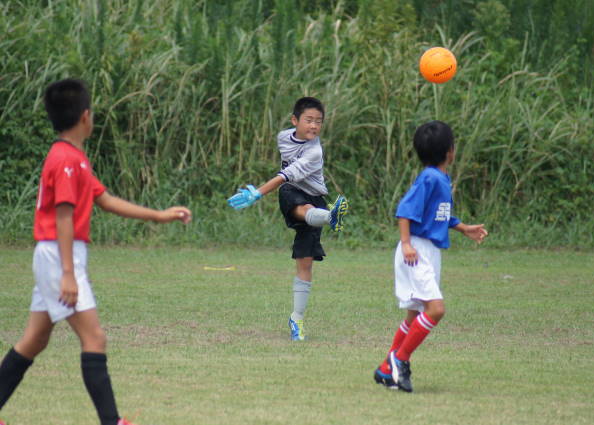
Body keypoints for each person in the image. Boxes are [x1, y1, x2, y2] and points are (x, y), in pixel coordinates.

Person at [0, 78, 192, 425]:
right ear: (85, 116)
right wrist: (68, 274)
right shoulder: (66, 160)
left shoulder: (73, 158)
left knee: (34, 340)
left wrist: (159, 215)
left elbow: (105, 200)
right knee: (94, 337)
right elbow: (63, 216)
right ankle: (111, 421)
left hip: (56, 255)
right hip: (60, 256)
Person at [373, 120, 487, 393]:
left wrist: (463, 228)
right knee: (436, 309)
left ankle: (386, 369)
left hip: (428, 250)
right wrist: (406, 244)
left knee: (414, 315)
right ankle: (400, 359)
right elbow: (405, 210)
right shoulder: (430, 178)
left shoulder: (439, 178)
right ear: (450, 151)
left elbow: (438, 214)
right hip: (416, 250)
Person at [227, 97, 349, 341]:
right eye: (309, 120)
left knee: (305, 263)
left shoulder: (315, 151)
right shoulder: (284, 137)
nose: (314, 126)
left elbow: (284, 174)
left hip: (316, 198)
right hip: (291, 191)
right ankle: (330, 217)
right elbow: (285, 178)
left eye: (319, 122)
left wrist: (258, 193)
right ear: (295, 120)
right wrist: (259, 192)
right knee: (297, 202)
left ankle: (296, 319)